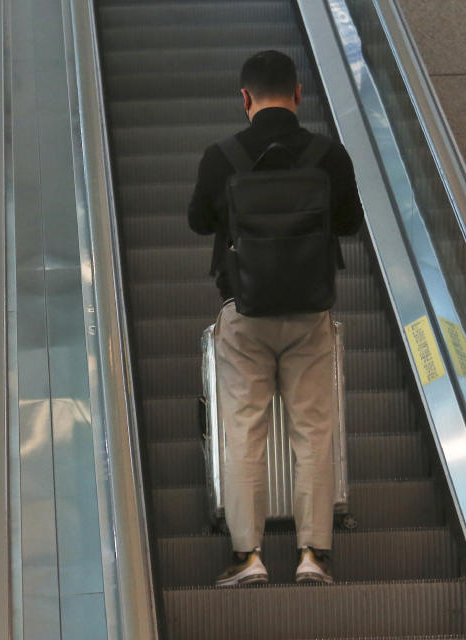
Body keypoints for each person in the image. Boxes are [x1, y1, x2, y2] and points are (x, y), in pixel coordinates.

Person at [188, 51, 363, 587]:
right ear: (298, 93)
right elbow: (350, 224)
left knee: (244, 432)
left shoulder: (222, 158)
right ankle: (313, 554)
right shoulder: (328, 155)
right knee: (314, 431)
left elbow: (198, 222)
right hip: (310, 314)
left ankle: (249, 557)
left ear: (245, 98)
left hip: (245, 314)